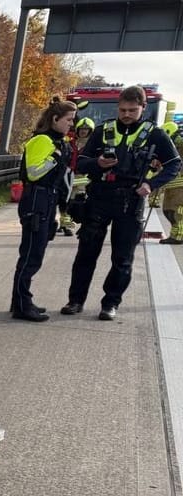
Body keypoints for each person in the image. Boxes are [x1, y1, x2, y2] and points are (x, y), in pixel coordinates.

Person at [61, 85, 181, 320]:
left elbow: (174, 164)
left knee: (122, 258)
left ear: (143, 108)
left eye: (132, 110)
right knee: (86, 253)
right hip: (99, 197)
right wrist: (98, 163)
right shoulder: (102, 130)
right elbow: (81, 162)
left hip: (131, 200)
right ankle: (75, 300)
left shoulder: (155, 134)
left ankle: (110, 303)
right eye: (123, 109)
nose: (126, 114)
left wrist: (151, 184)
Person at [11, 98, 76, 321]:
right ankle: (22, 304)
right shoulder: (42, 140)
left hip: (48, 201)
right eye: (68, 120)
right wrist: (54, 157)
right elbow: (33, 173)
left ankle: (20, 301)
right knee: (30, 256)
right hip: (36, 200)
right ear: (55, 119)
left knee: (34, 254)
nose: (71, 125)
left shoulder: (60, 141)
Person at [58, 116, 95, 237]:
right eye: (81, 128)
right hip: (68, 175)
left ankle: (79, 224)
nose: (83, 131)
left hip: (84, 178)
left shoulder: (93, 145)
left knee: (79, 203)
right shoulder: (70, 141)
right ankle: (65, 225)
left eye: (86, 129)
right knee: (65, 201)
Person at [158, 121, 183, 244]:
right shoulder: (173, 147)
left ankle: (178, 237)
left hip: (180, 185)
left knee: (176, 211)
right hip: (172, 184)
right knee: (168, 211)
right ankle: (175, 235)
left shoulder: (181, 144)